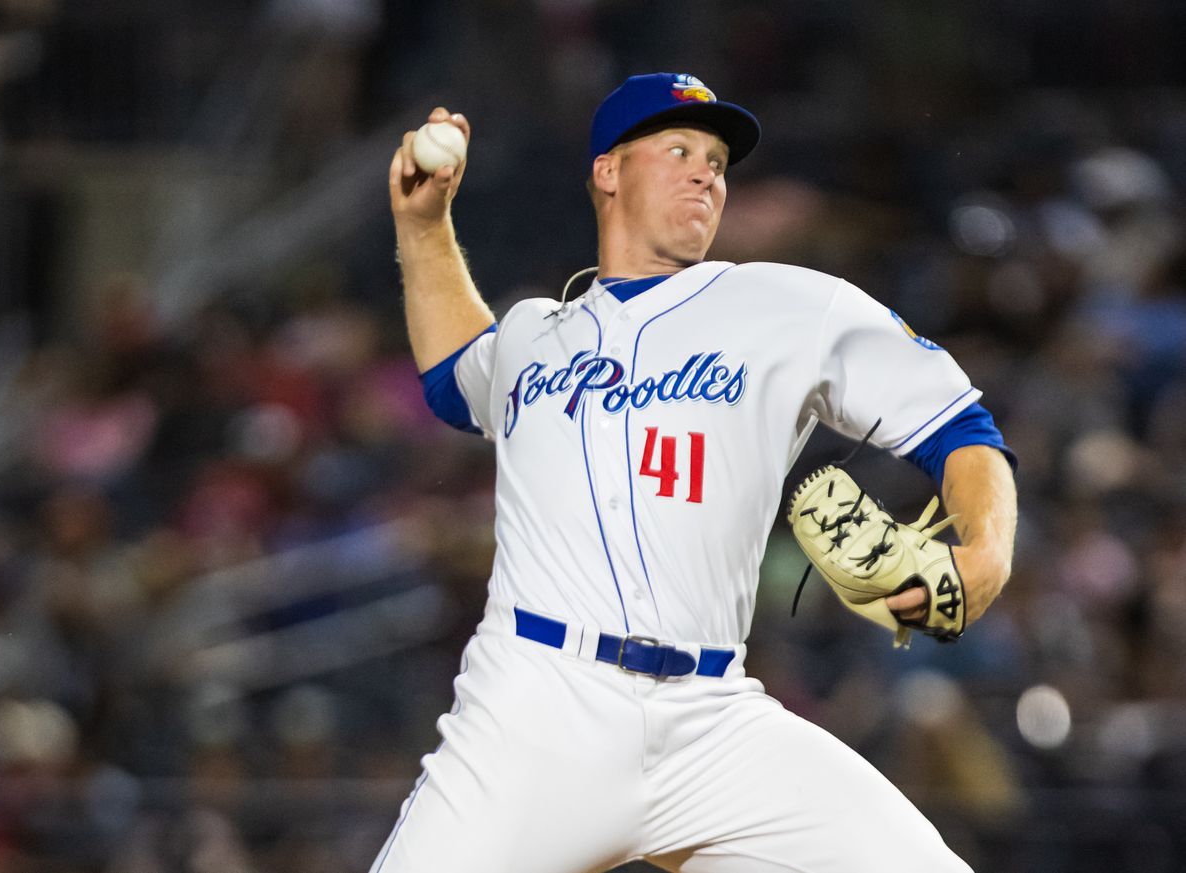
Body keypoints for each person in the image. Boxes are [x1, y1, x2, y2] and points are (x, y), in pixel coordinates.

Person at [374, 72, 1017, 873]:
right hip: (537, 705)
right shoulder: (535, 332)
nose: (705, 172)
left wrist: (986, 550)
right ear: (607, 171)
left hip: (713, 718)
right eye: (678, 149)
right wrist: (424, 224)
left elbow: (961, 427)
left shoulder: (789, 306)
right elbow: (452, 377)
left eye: (716, 159)